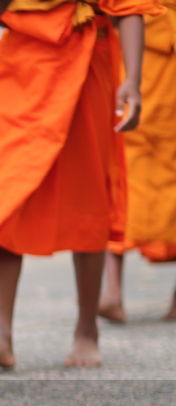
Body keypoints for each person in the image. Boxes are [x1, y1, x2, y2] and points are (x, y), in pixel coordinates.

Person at [0, 0, 155, 370]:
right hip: (21, 63)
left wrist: (132, 80)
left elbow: (130, 7)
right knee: (4, 191)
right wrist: (32, 15)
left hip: (87, 63)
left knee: (88, 193)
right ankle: (0, 335)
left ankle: (86, 330)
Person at [100, 6, 176, 324]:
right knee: (119, 162)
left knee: (126, 165)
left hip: (154, 45)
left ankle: (114, 289)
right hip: (137, 47)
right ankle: (111, 291)